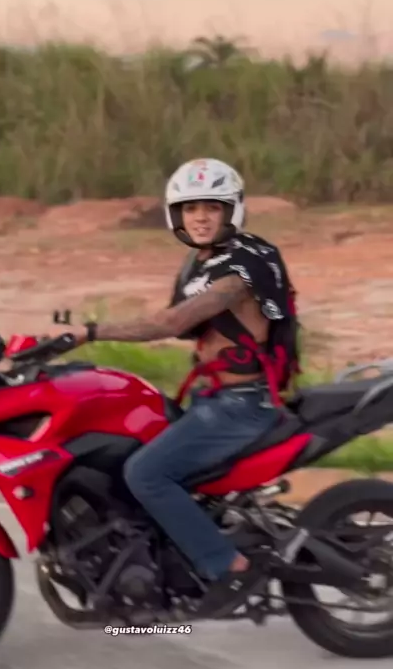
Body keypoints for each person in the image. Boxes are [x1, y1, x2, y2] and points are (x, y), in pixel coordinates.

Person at [60, 157, 301, 617]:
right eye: (191, 208)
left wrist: (89, 332)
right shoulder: (201, 262)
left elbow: (171, 322)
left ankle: (229, 567)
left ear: (232, 210)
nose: (201, 217)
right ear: (177, 215)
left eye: (212, 207)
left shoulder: (242, 266)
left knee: (146, 474)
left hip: (242, 405)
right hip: (211, 399)